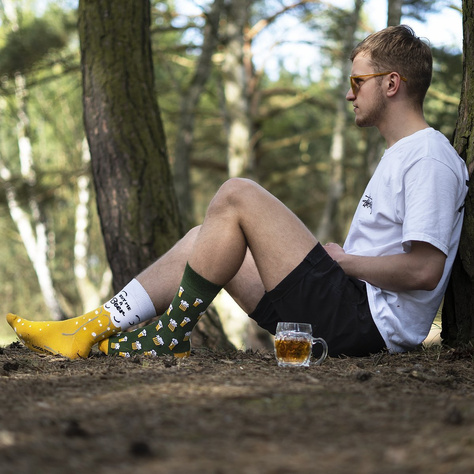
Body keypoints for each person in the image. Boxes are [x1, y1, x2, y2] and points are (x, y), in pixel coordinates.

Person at [6, 25, 468, 360]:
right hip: (348, 310)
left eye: (357, 82)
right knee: (202, 239)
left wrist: (342, 261)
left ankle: (166, 335)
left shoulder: (427, 156)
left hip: (363, 324)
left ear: (391, 84)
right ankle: (86, 329)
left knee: (237, 194)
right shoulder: (404, 155)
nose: (350, 95)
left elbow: (426, 269)